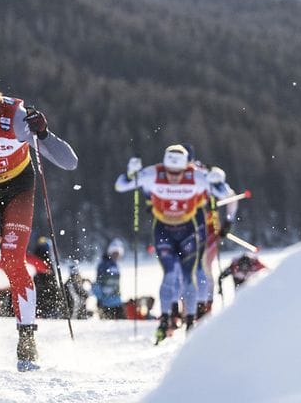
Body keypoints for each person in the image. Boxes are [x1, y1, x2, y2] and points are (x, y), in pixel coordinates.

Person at [0, 74, 78, 372]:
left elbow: (69, 162)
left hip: (16, 189)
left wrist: (44, 134)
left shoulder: (17, 117)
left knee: (12, 260)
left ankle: (27, 341)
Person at [115, 145, 230, 343]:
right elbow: (121, 185)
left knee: (189, 276)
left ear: (186, 167)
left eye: (179, 172)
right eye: (170, 172)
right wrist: (130, 172)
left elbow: (224, 193)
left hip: (188, 231)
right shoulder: (153, 173)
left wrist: (218, 179)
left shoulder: (196, 176)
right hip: (163, 231)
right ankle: (166, 317)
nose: (174, 177)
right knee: (170, 273)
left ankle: (192, 321)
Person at [201, 165, 239, 315]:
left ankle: (207, 304)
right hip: (190, 232)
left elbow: (232, 198)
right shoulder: (199, 184)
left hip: (210, 234)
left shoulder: (222, 188)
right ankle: (187, 308)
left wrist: (228, 222)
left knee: (206, 269)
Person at [93, 238, 126, 319]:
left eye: (118, 253)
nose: (116, 255)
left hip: (117, 302)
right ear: (110, 252)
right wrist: (100, 299)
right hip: (105, 303)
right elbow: (98, 282)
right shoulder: (103, 264)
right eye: (114, 253)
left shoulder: (116, 265)